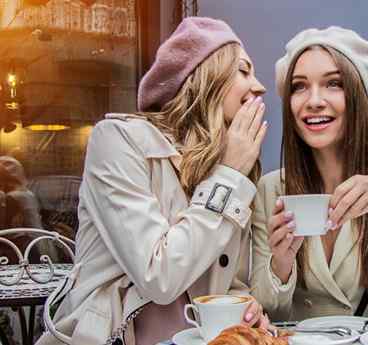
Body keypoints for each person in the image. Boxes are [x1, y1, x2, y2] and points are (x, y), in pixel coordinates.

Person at [37, 17, 269, 345]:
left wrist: (245, 308)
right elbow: (158, 278)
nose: (259, 86)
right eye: (243, 71)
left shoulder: (228, 166)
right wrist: (228, 177)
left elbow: (227, 282)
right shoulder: (117, 141)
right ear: (204, 75)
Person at [251, 26, 368, 323]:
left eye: (333, 84)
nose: (313, 100)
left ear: (361, 99)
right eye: (299, 87)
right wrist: (280, 263)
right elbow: (266, 314)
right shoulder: (270, 189)